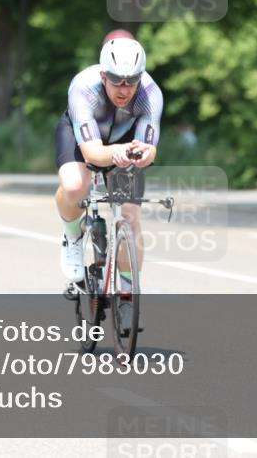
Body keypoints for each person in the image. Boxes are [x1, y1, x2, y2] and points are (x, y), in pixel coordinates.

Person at [55, 33, 163, 329]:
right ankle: (72, 236)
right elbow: (91, 152)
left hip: (124, 140)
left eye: (132, 80)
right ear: (104, 75)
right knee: (76, 186)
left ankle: (127, 295)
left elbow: (150, 147)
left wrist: (144, 154)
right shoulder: (83, 87)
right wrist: (113, 152)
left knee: (130, 214)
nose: (124, 89)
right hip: (85, 138)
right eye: (116, 80)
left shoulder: (150, 93)